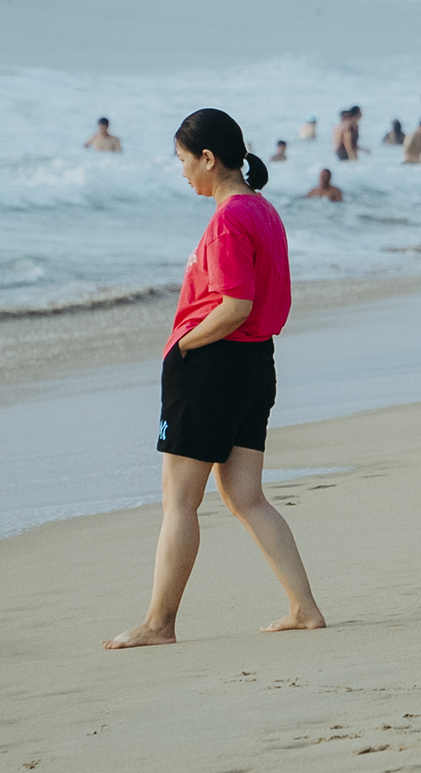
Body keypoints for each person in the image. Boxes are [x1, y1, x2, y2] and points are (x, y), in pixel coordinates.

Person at [103, 108, 324, 650]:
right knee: (247, 495)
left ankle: (159, 624)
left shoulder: (229, 219)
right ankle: (305, 608)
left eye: (184, 160)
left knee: (178, 502)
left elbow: (235, 305)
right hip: (255, 365)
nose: (182, 172)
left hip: (214, 364)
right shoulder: (265, 210)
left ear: (209, 158)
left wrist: (184, 344)